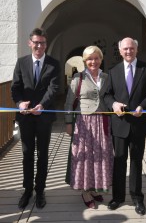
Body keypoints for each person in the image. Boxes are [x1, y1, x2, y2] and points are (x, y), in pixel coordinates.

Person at [104, 37, 146, 215]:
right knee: (119, 161)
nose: (128, 51)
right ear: (120, 51)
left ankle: (137, 198)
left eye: (131, 48)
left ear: (137, 49)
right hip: (119, 125)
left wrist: (144, 105)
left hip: (138, 125)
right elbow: (107, 95)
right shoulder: (112, 71)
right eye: (125, 49)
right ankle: (117, 197)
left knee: (136, 162)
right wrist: (113, 104)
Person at [11, 28, 60, 209]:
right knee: (26, 154)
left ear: (46, 44)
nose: (39, 46)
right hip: (25, 118)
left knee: (42, 155)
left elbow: (54, 88)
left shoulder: (54, 64)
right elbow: (15, 87)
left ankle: (40, 191)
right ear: (29, 43)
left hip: (44, 117)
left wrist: (43, 105)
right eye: (36, 42)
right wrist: (19, 103)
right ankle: (27, 190)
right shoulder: (21, 62)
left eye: (42, 43)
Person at [64, 46, 113, 209]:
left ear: (101, 59)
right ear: (85, 61)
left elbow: (110, 97)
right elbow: (69, 102)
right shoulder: (78, 78)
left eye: (96, 58)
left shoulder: (107, 77)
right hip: (83, 123)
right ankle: (85, 191)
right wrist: (68, 122)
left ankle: (93, 188)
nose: (93, 61)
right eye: (90, 59)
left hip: (102, 121)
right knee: (84, 157)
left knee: (100, 156)